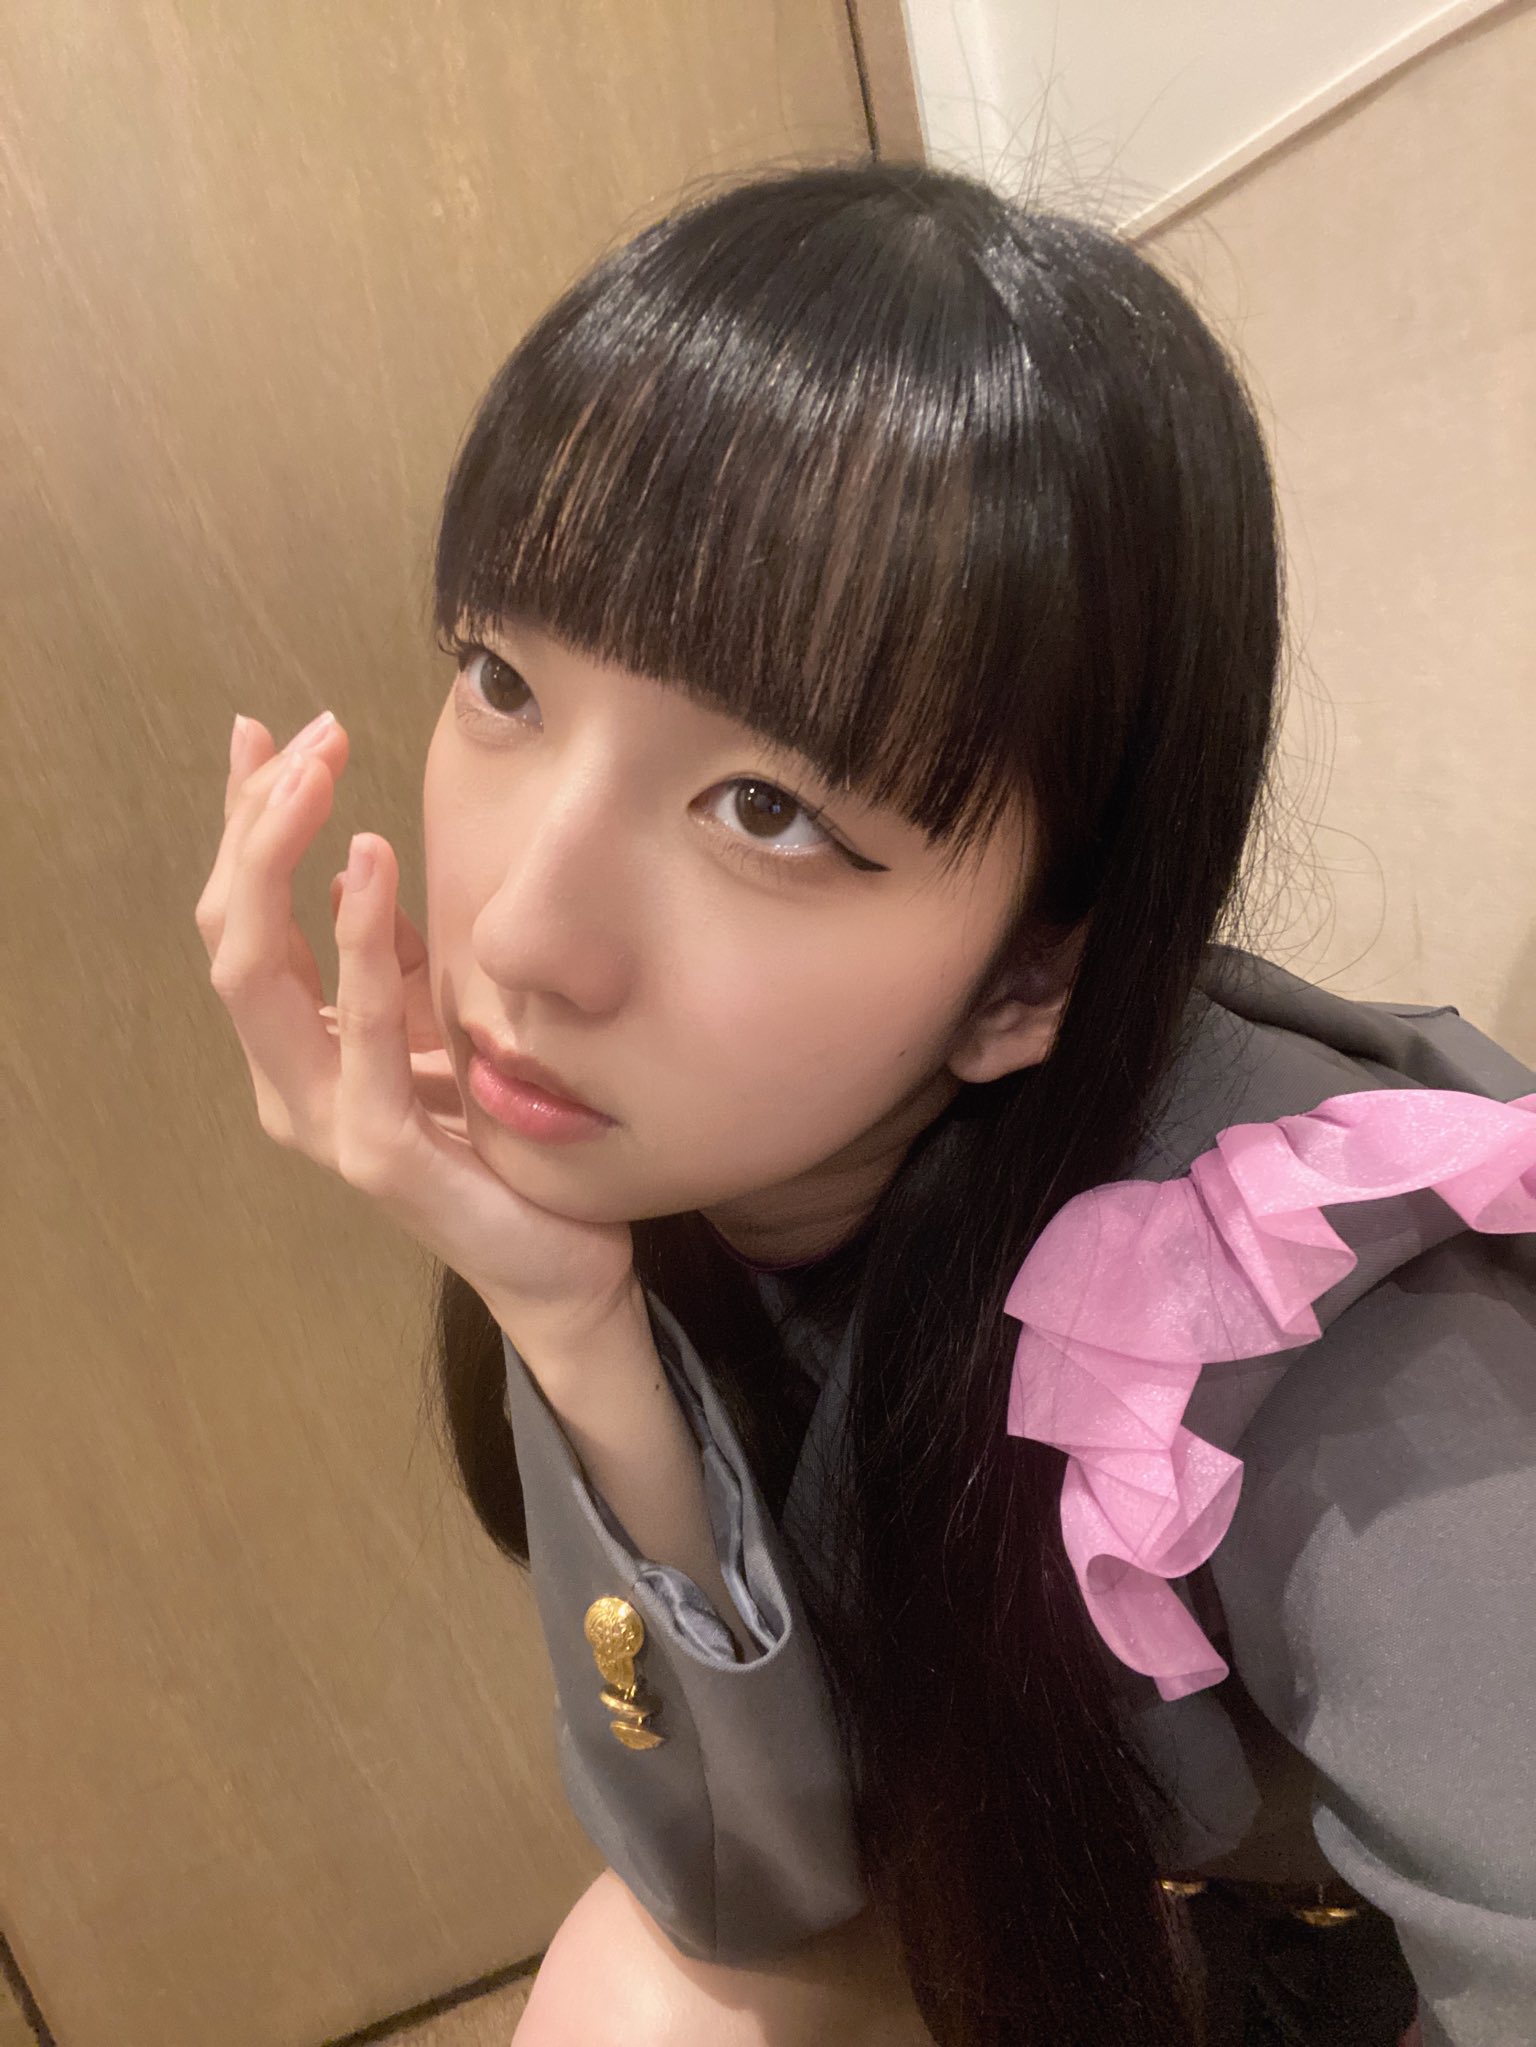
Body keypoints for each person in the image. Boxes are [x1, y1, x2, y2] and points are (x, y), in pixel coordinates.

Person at [196, 160, 1534, 2046]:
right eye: (501, 678)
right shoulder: (709, 1162)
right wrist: (564, 1319)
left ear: (1032, 977)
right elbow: (751, 1888)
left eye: (767, 808)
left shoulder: (1337, 1373)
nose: (522, 929)